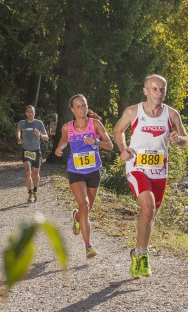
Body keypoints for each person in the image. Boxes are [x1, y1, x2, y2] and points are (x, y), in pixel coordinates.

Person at [113, 74, 188, 278]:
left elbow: (186, 140)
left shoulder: (171, 114)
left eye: (162, 89)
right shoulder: (133, 111)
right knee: (148, 206)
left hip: (159, 172)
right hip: (136, 167)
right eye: (154, 89)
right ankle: (145, 256)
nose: (158, 93)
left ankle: (137, 252)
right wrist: (124, 148)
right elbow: (118, 130)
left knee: (150, 213)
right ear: (145, 91)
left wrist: (178, 139)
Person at [55, 94, 114, 259]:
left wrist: (95, 142)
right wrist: (59, 148)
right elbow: (63, 141)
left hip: (93, 172)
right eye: (78, 106)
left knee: (86, 210)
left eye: (84, 105)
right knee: (85, 205)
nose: (82, 109)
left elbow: (109, 145)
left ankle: (77, 217)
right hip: (76, 171)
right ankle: (88, 246)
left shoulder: (95, 124)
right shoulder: (67, 127)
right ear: (72, 109)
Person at [16, 105, 49, 203]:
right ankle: (30, 194)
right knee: (27, 171)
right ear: (25, 113)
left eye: (32, 112)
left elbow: (46, 137)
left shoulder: (39, 123)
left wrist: (40, 135)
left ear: (35, 113)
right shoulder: (22, 123)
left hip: (36, 151)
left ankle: (35, 190)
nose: (30, 114)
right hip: (26, 150)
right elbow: (18, 130)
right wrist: (18, 138)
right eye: (29, 112)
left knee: (36, 173)